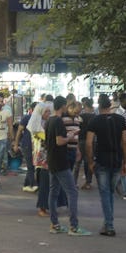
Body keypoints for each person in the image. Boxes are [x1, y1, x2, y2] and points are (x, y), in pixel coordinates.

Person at [85, 93, 126, 236]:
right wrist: (125, 162)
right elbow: (125, 142)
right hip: (116, 160)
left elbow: (89, 143)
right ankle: (108, 222)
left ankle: (109, 225)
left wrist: (91, 162)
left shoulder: (95, 121)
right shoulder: (120, 120)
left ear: (99, 105)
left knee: (105, 193)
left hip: (102, 161)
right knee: (109, 192)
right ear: (110, 105)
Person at [46, 96, 90, 236]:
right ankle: (74, 226)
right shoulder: (58, 121)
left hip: (52, 160)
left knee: (53, 192)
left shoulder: (49, 121)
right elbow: (60, 141)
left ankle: (55, 224)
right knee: (72, 192)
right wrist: (71, 136)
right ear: (63, 106)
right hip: (60, 161)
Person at [13, 102, 38, 192]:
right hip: (27, 145)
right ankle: (34, 184)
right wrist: (16, 144)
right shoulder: (27, 118)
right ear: (31, 110)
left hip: (35, 146)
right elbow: (19, 131)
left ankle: (26, 184)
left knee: (32, 165)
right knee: (31, 166)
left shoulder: (40, 119)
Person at [73, 97, 95, 189]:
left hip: (81, 139)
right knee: (88, 161)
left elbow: (77, 129)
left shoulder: (80, 116)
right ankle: (88, 182)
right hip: (91, 141)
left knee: (77, 162)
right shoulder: (94, 116)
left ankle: (74, 182)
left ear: (85, 105)